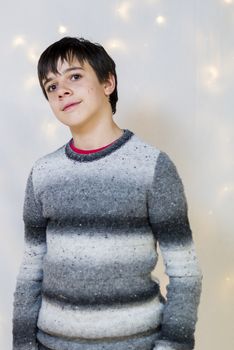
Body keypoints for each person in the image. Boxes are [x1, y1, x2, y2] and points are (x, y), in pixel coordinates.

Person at [12, 36, 202, 350]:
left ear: (108, 83)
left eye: (74, 76)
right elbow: (31, 269)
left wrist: (173, 346)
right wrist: (23, 344)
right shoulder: (43, 173)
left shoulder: (152, 166)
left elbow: (185, 272)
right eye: (51, 86)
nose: (63, 90)